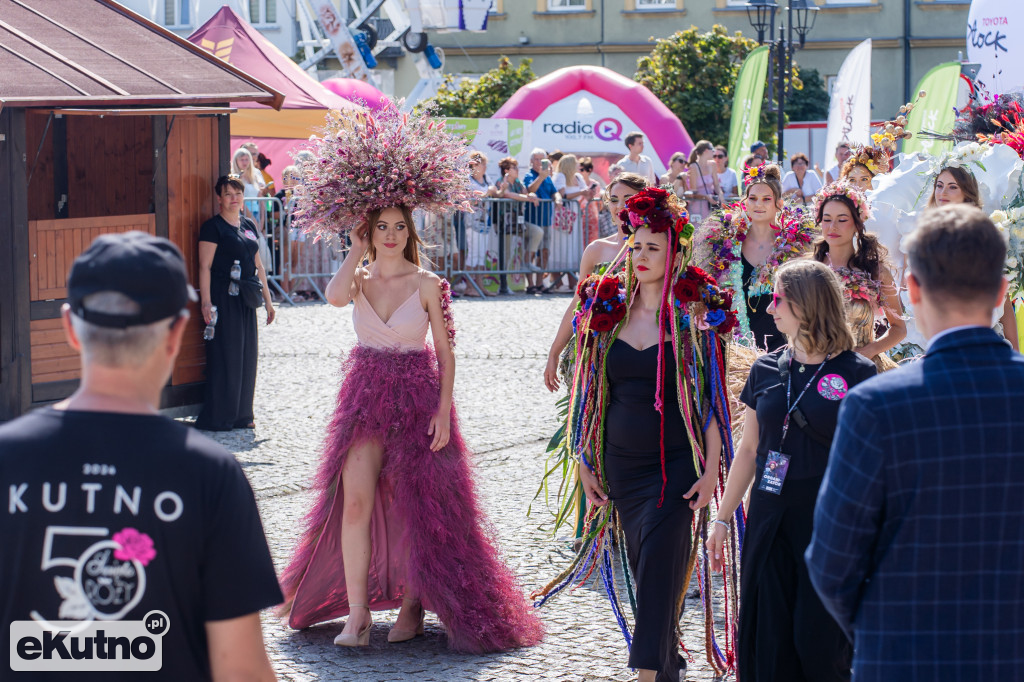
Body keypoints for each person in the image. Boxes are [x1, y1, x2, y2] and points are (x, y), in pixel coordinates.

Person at [279, 100, 543, 653]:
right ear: (370, 230)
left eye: (400, 226)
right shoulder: (359, 276)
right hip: (365, 395)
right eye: (382, 226)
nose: (392, 234)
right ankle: (355, 616)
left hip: (418, 395)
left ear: (410, 230)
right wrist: (353, 250)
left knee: (415, 505)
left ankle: (412, 604)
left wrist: (443, 410)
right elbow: (330, 298)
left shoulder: (429, 283)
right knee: (353, 501)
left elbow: (447, 355)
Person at [0, 232, 282, 681]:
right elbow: (241, 670)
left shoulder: (6, 461)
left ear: (70, 327)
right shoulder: (210, 477)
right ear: (176, 332)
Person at [806, 204, 1024, 680]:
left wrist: (882, 633)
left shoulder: (875, 406)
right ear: (1001, 292)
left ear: (913, 289)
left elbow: (831, 559)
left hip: (903, 654)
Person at [534, 187, 738, 680]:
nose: (642, 256)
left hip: (675, 469)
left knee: (660, 566)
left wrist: (712, 472)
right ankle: (666, 661)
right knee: (651, 573)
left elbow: (711, 407)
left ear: (674, 255)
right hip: (620, 468)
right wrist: (584, 462)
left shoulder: (694, 322)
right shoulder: (606, 314)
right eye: (637, 246)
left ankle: (645, 673)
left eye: (654, 247)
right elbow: (588, 401)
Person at [706, 259, 876, 681]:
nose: (770, 308)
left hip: (829, 524)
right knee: (770, 637)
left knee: (819, 642)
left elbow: (871, 462)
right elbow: (748, 451)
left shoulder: (857, 372)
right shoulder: (765, 368)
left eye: (779, 298)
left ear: (806, 304)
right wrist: (723, 519)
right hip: (769, 516)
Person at [543, 171, 649, 393]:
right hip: (601, 348)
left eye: (628, 200)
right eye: (614, 199)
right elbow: (577, 304)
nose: (620, 206)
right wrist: (554, 352)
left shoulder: (654, 248)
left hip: (645, 345)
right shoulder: (596, 249)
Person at [696, 164, 818, 351]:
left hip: (785, 346)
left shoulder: (796, 246)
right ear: (745, 202)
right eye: (752, 198)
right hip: (734, 348)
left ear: (779, 204)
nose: (758, 204)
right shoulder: (724, 243)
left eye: (766, 199)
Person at [194, 176, 275, 432]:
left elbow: (259, 264)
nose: (233, 198)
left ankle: (243, 414)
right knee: (226, 354)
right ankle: (221, 416)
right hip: (222, 296)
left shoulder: (248, 224)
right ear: (219, 198)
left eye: (237, 193)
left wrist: (269, 301)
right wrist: (205, 302)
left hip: (247, 296)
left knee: (247, 354)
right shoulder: (212, 227)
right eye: (228, 194)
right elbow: (204, 266)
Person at [810, 183, 905, 369]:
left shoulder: (876, 272)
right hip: (813, 368)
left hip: (862, 369)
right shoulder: (807, 269)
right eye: (827, 219)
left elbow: (899, 328)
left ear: (857, 223)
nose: (833, 227)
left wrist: (868, 352)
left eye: (842, 220)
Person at [547, 154, 589, 293]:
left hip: (575, 215)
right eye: (576, 163)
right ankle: (558, 283)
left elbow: (585, 193)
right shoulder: (560, 176)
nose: (578, 165)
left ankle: (573, 283)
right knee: (560, 246)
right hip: (562, 216)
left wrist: (589, 192)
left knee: (573, 246)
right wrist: (581, 192)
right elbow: (562, 195)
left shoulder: (578, 177)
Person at [524, 147, 562, 294]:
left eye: (543, 160)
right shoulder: (529, 175)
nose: (540, 162)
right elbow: (529, 189)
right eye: (537, 159)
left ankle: (540, 283)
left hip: (546, 220)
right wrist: (540, 176)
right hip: (533, 220)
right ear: (532, 161)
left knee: (545, 251)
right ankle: (530, 284)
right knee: (531, 252)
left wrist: (558, 199)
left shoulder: (547, 177)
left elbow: (554, 192)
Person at [465, 150, 499, 297]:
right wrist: (487, 193)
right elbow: (471, 198)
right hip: (472, 220)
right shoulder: (468, 180)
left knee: (481, 255)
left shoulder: (486, 179)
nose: (484, 167)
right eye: (481, 164)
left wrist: (495, 190)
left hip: (485, 221)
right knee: (473, 254)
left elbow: (495, 191)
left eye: (485, 163)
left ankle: (479, 285)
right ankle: (468, 286)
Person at [687, 140, 723, 222]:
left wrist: (721, 196)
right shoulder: (693, 167)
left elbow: (716, 185)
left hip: (711, 205)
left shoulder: (713, 164)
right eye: (713, 150)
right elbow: (693, 192)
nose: (713, 153)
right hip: (697, 206)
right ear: (706, 150)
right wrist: (706, 197)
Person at [578, 157, 604, 243]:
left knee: (592, 240)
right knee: (580, 241)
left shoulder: (595, 184)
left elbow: (598, 203)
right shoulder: (576, 184)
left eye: (582, 169)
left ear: (589, 170)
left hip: (592, 216)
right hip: (579, 216)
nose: (579, 172)